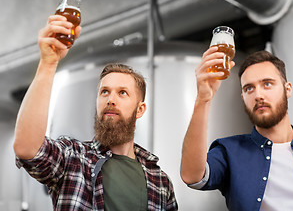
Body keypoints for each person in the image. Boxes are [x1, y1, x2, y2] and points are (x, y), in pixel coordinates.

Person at [13, 15, 178, 211]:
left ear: (140, 109)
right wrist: (48, 64)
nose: (110, 99)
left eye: (122, 93)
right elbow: (27, 149)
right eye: (104, 92)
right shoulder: (73, 158)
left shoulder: (159, 181)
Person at [180, 47, 293, 210]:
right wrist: (203, 100)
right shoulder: (229, 152)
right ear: (243, 97)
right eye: (249, 88)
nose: (258, 95)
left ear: (287, 89)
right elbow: (192, 176)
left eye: (267, 84)